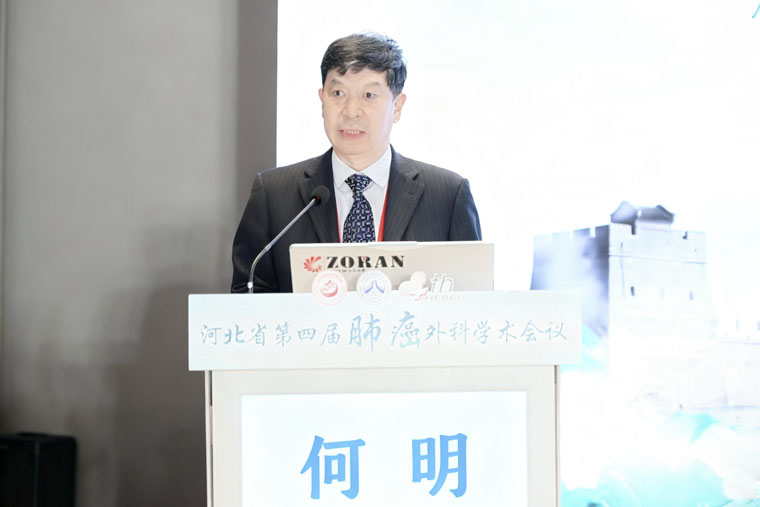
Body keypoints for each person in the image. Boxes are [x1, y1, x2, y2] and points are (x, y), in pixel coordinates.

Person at [231, 33, 481, 293]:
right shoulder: (273, 194)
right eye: (338, 93)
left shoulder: (447, 195)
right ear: (322, 100)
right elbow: (246, 296)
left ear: (397, 106)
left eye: (369, 95)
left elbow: (474, 300)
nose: (351, 111)